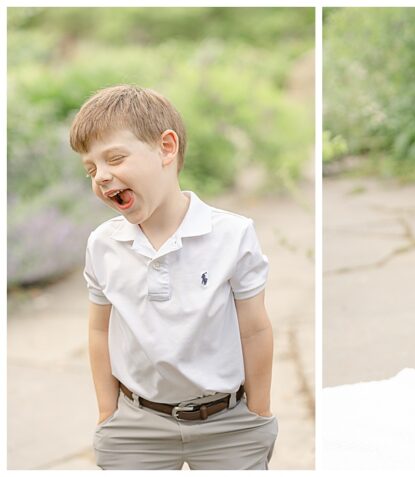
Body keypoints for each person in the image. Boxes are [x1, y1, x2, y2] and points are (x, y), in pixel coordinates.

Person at [71, 85, 278, 470]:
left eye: (114, 158)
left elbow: (254, 329)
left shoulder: (232, 235)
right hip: (136, 425)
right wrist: (107, 413)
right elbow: (100, 331)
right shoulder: (103, 245)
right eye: (90, 168)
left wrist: (258, 412)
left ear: (167, 148)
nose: (101, 176)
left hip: (228, 424)